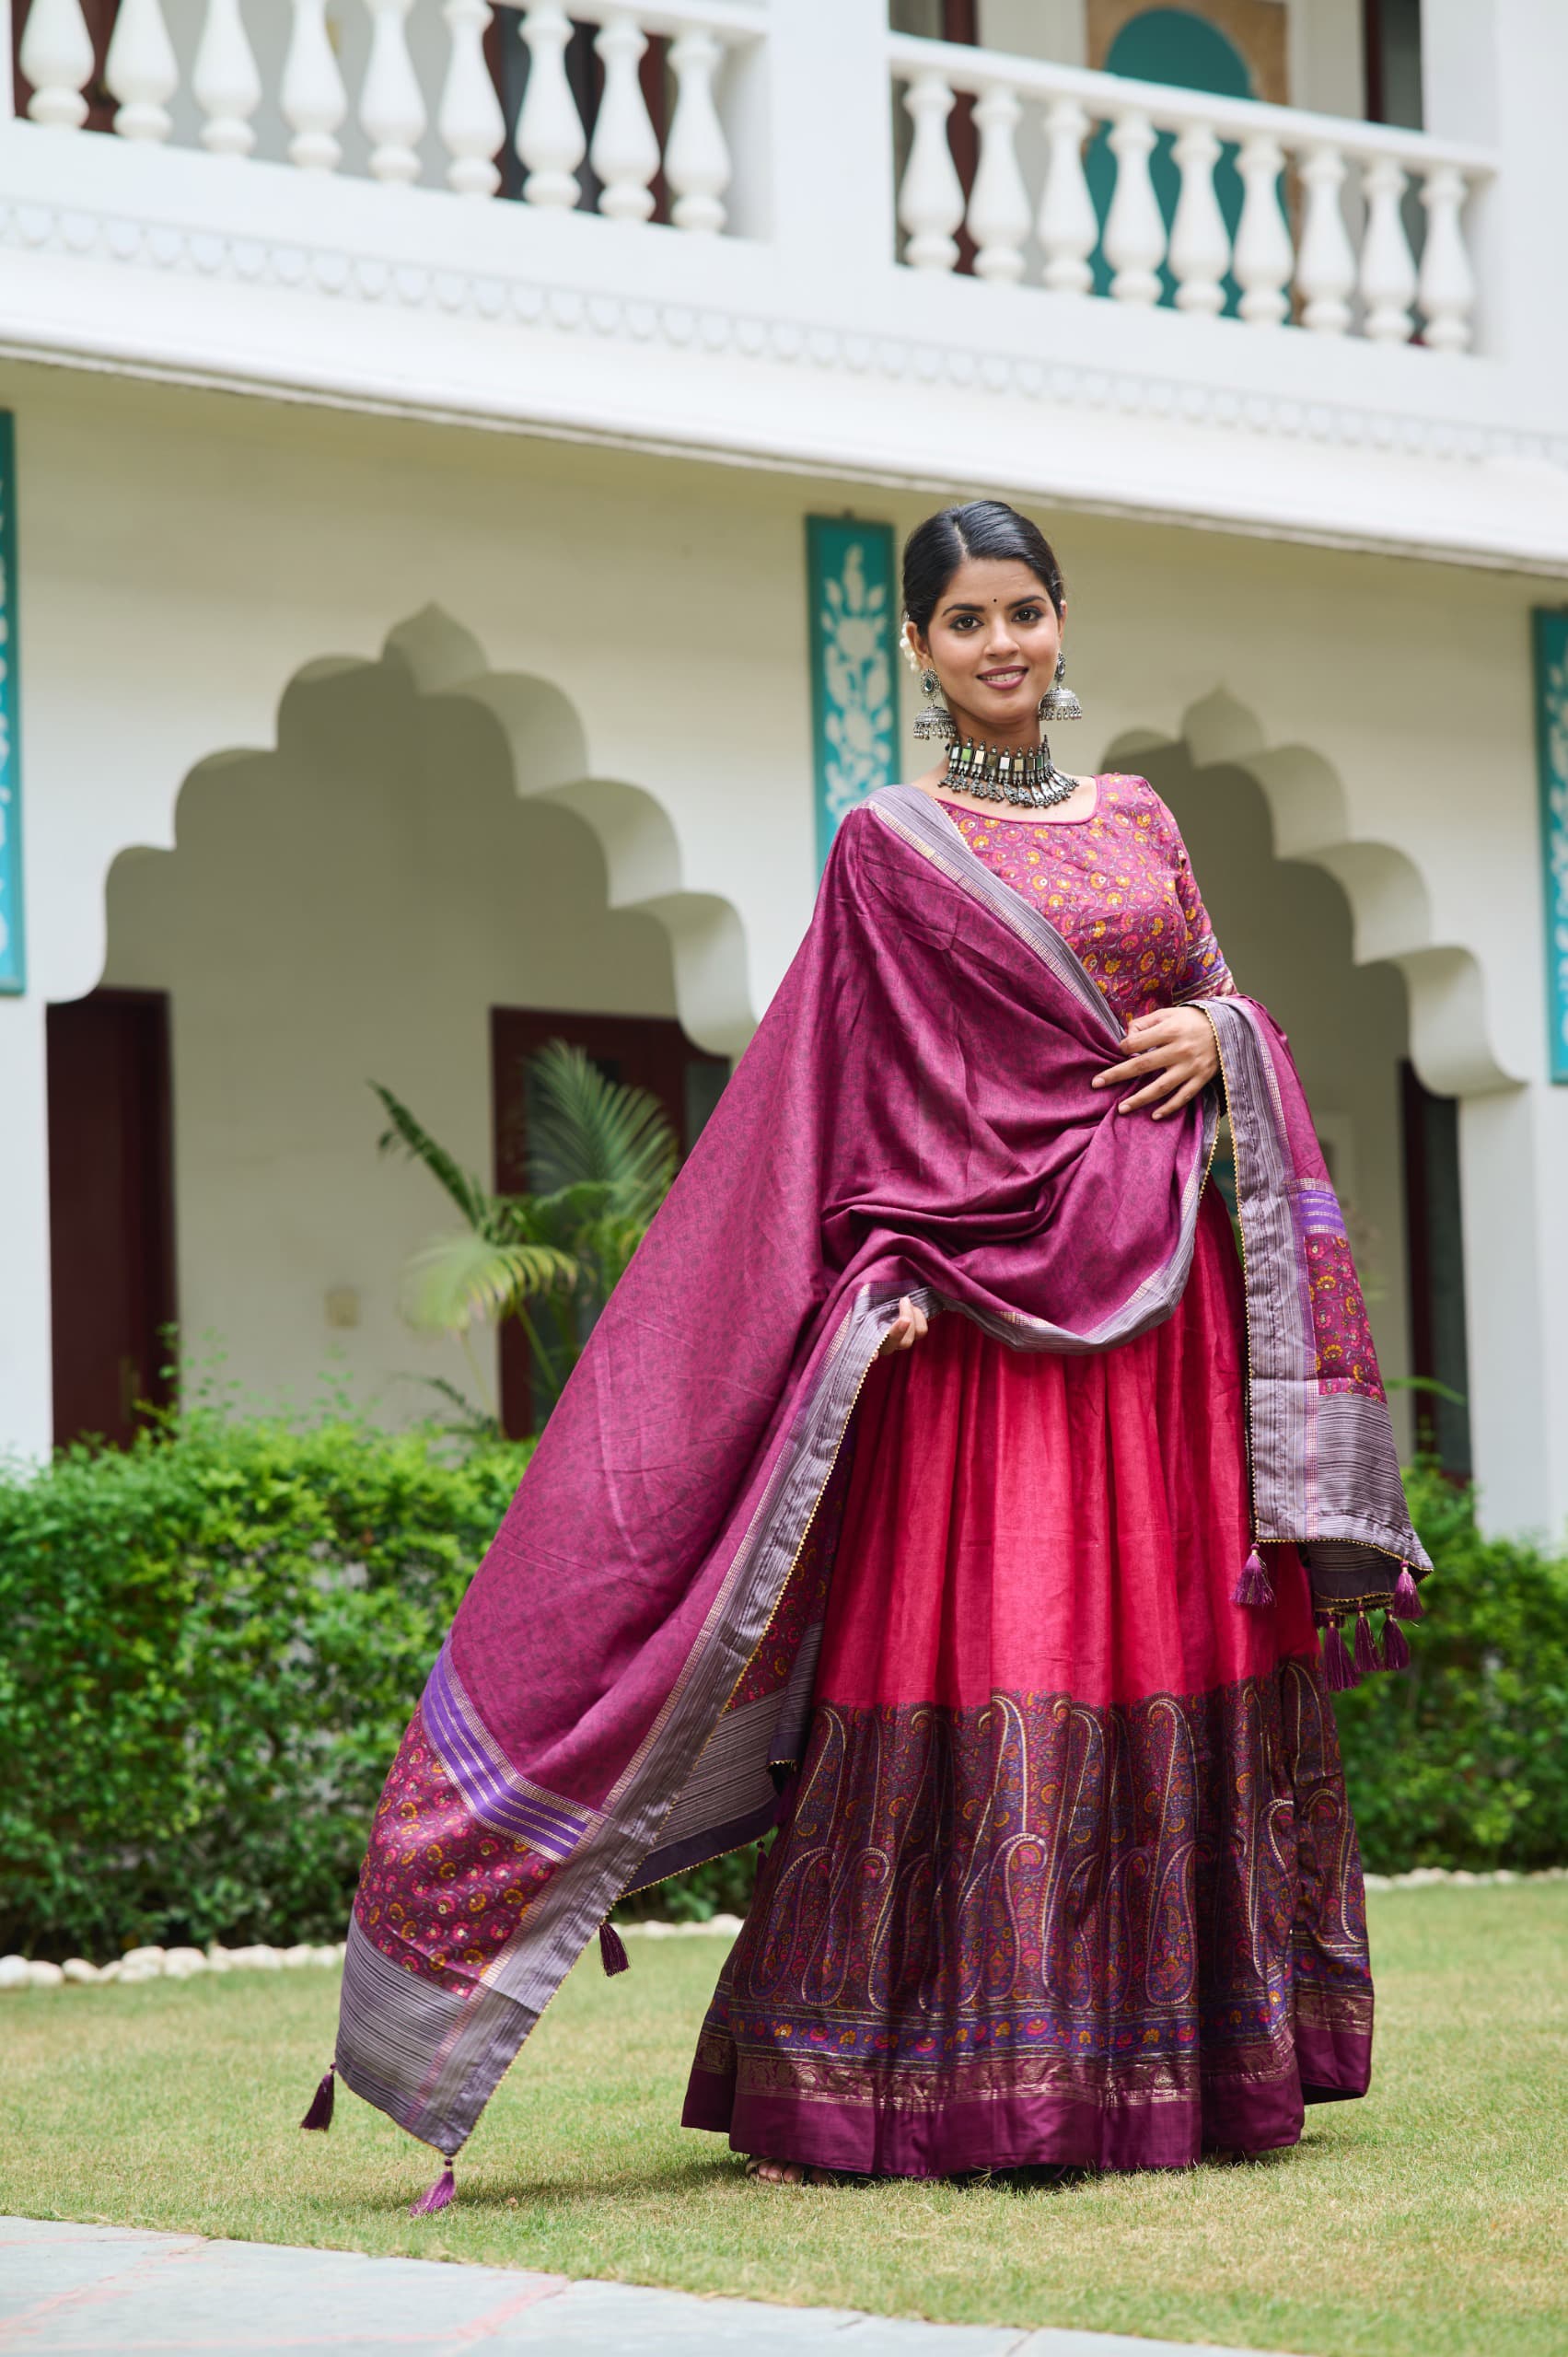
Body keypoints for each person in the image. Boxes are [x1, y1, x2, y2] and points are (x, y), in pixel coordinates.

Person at [321, 503, 1426, 2213]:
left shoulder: (1143, 818)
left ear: (1066, 627)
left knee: (1162, 1635)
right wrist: (881, 1267)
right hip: (969, 1328)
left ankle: (1182, 2055)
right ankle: (949, 2064)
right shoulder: (888, 847)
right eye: (966, 621)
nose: (1001, 645)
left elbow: (1223, 992)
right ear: (915, 648)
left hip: (1163, 1316)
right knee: (1004, 1634)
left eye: (1027, 614)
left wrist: (1221, 1037)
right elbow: (850, 1093)